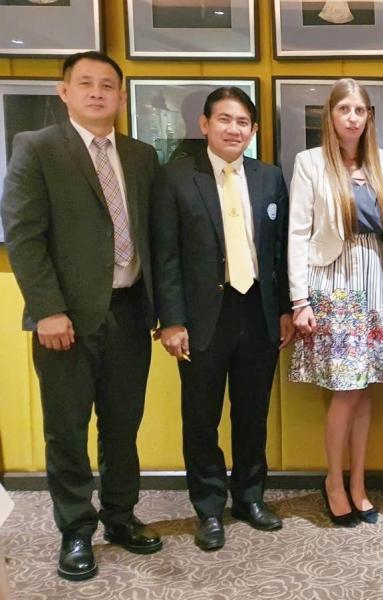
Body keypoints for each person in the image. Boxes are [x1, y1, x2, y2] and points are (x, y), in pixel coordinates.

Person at [0, 52, 161, 580]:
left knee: (122, 424)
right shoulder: (38, 147)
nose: (97, 92)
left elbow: (153, 237)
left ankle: (120, 515)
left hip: (130, 311)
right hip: (65, 320)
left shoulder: (141, 156)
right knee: (67, 430)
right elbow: (24, 236)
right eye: (86, 83)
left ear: (120, 95)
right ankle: (75, 530)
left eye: (107, 85)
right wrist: (47, 309)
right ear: (64, 91)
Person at [151, 87, 294, 551]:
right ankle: (209, 507)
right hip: (201, 319)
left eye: (243, 122)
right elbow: (165, 255)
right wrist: (171, 321)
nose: (234, 129)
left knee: (253, 413)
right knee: (201, 417)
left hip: (258, 313)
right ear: (205, 125)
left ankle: (250, 497)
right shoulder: (176, 178)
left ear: (254, 130)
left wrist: (285, 309)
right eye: (225, 120)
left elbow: (280, 251)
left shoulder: (270, 177)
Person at [287, 78, 383, 527]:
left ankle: (359, 483)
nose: (353, 118)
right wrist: (299, 299)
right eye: (344, 110)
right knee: (346, 388)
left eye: (360, 110)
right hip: (333, 280)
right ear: (331, 115)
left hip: (376, 277)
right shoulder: (310, 163)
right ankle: (334, 482)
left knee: (366, 383)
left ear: (369, 116)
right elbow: (297, 233)